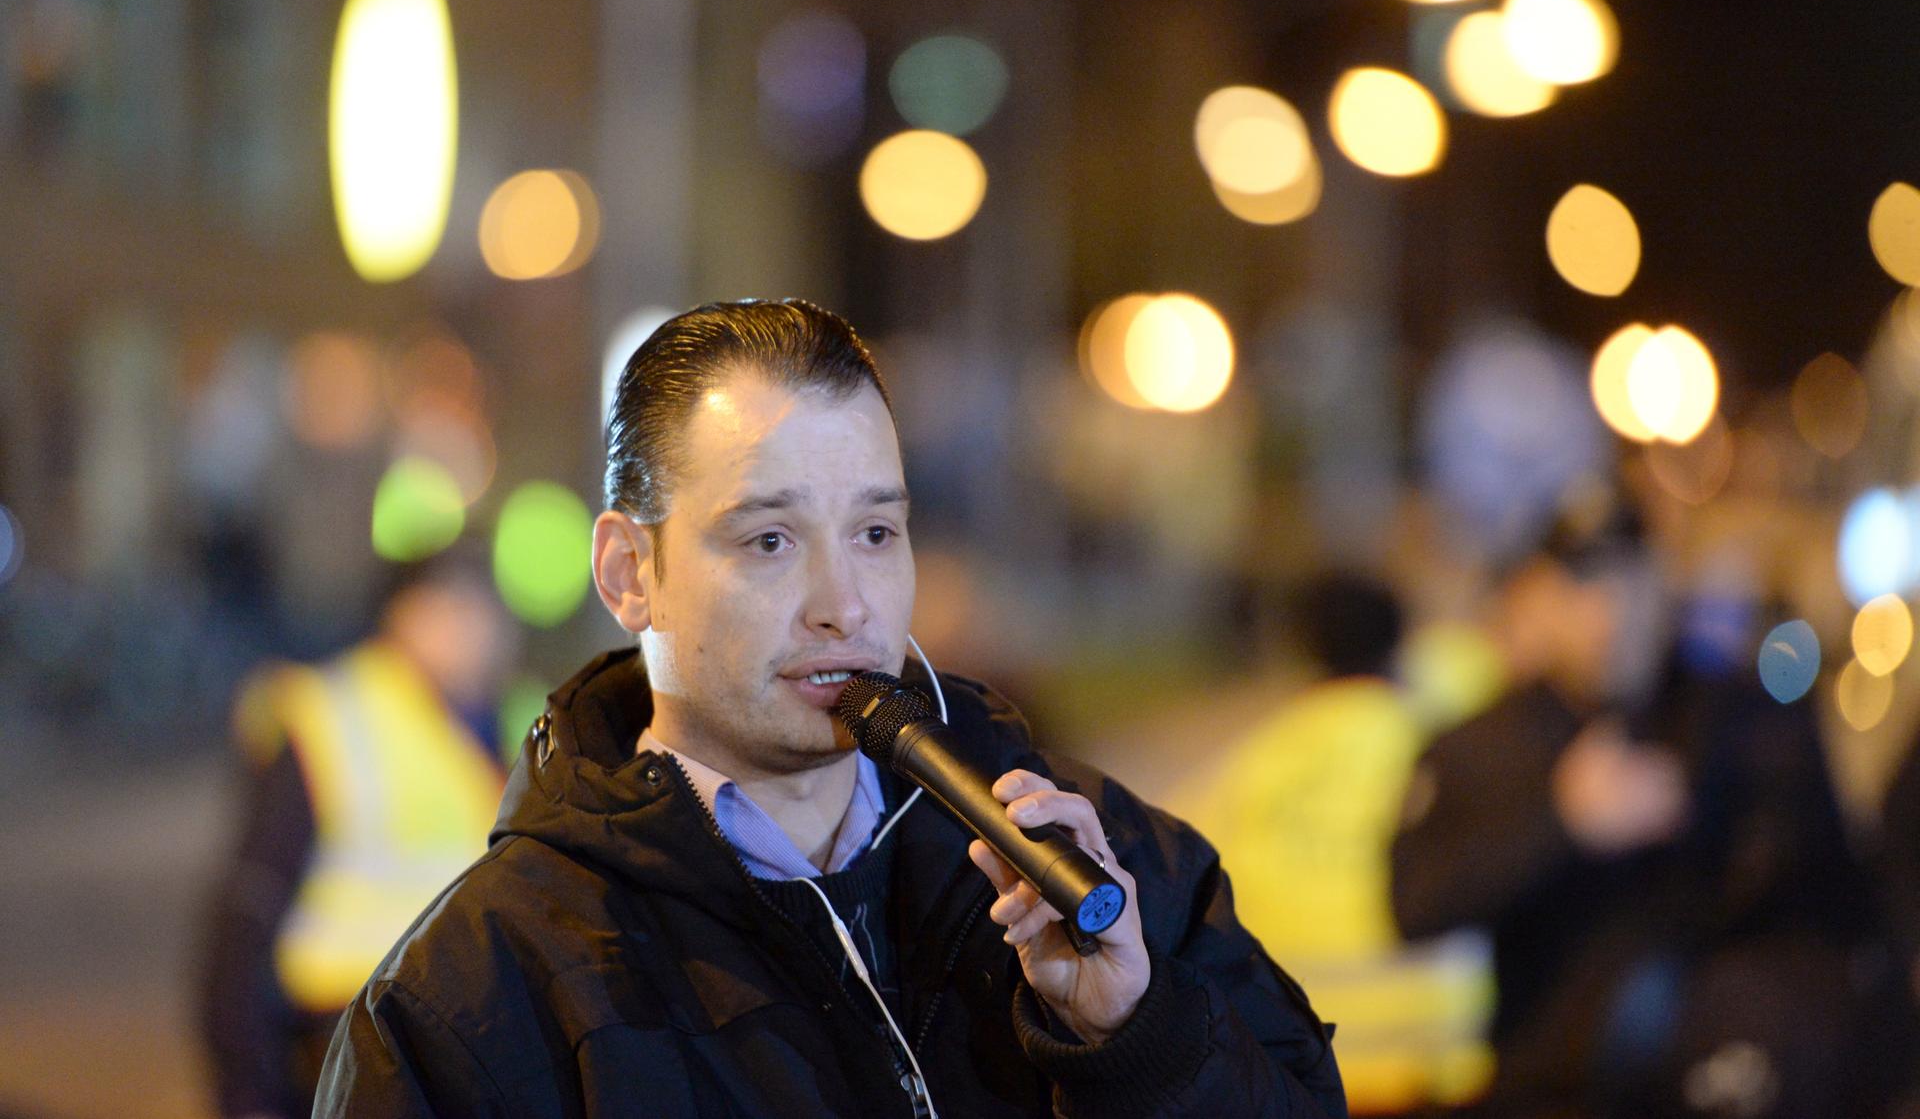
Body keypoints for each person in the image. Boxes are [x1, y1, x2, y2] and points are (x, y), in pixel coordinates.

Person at [313, 299, 1345, 1117]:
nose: (844, 605)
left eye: (876, 534)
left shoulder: (1100, 868)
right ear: (631, 572)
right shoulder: (474, 994)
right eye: (768, 540)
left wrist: (1139, 1038)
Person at [1391, 496, 1888, 1118]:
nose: (1611, 611)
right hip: (1541, 1082)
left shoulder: (1734, 715)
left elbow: (1834, 899)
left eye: (1632, 579)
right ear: (1538, 597)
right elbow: (1414, 905)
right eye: (1584, 585)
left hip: (1715, 1067)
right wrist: (1561, 823)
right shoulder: (1484, 743)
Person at [197, 552, 519, 1119]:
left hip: (452, 1042)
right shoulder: (332, 716)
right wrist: (246, 1089)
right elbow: (248, 907)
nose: (479, 629)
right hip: (345, 1040)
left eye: (484, 608)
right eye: (454, 606)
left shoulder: (493, 720)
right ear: (402, 615)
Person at [1179, 573, 1493, 1116]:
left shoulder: (1255, 763)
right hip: (1436, 1066)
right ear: (1401, 639)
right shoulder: (1444, 743)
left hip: (1306, 1067)